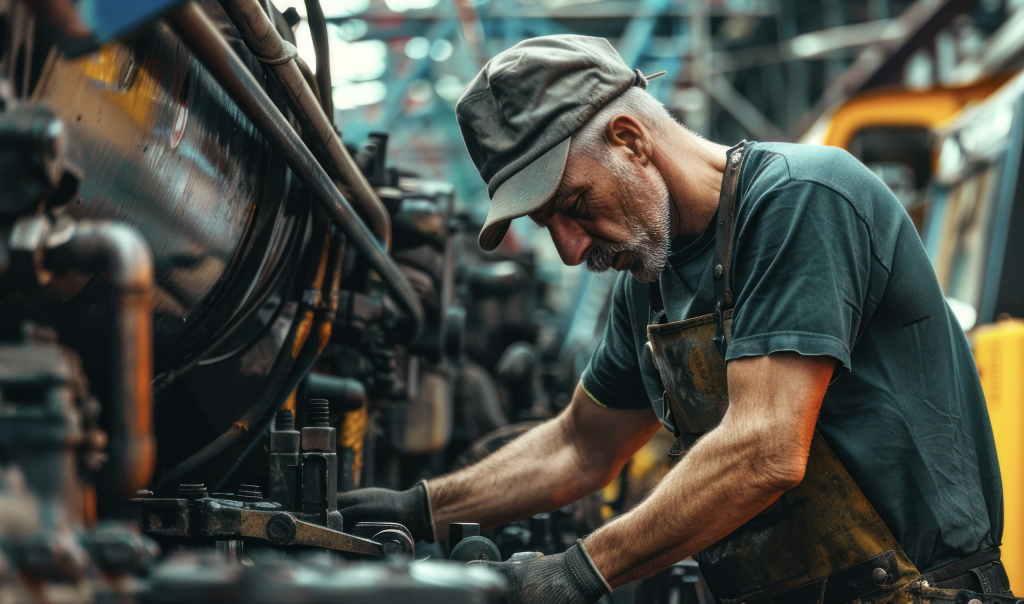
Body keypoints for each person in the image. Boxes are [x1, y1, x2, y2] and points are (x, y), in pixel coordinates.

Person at [338, 35, 1009, 604]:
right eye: (550, 227)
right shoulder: (649, 285)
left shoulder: (801, 201)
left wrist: (573, 574)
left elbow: (765, 450)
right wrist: (421, 507)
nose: (570, 249)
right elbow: (580, 446)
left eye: (573, 202)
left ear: (630, 140)